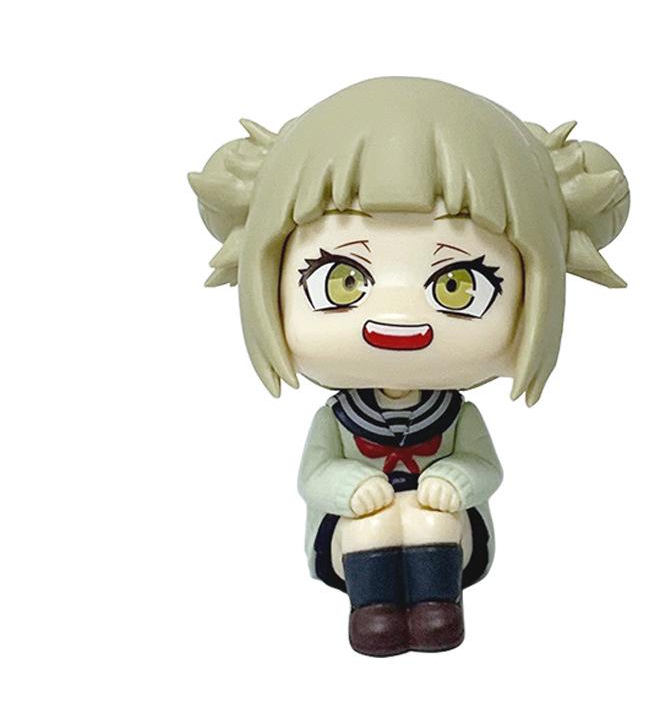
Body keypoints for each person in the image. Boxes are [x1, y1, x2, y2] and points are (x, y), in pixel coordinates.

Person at [188, 77, 630, 655]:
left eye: (457, 284)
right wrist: (346, 484)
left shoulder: (454, 416)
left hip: (448, 531)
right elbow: (313, 475)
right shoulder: (339, 419)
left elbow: (485, 466)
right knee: (372, 523)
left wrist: (458, 478)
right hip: (351, 532)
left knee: (429, 519)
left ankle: (436, 607)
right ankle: (372, 611)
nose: (397, 320)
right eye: (342, 280)